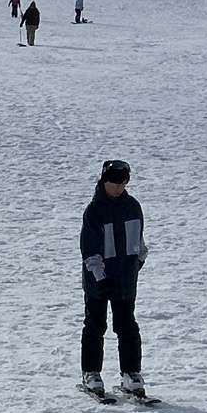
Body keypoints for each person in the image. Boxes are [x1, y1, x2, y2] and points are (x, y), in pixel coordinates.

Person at [80, 158, 147, 399]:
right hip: (99, 282)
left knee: (127, 326)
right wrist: (100, 277)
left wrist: (134, 266)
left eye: (123, 183)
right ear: (104, 182)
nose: (118, 188)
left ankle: (131, 374)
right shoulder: (95, 211)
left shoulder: (132, 206)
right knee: (95, 325)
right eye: (114, 183)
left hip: (125, 280)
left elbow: (139, 243)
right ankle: (91, 373)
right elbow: (89, 249)